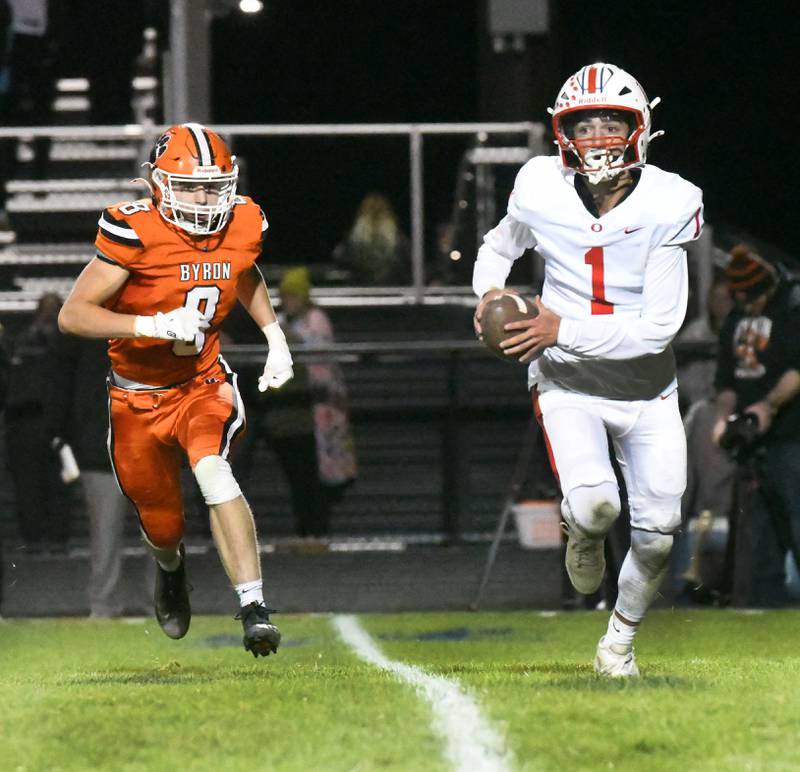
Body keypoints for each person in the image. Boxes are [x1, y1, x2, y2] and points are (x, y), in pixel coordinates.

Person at [473, 63, 703, 677]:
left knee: (658, 535)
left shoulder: (672, 200)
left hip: (647, 387)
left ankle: (618, 644)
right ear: (561, 131)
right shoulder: (538, 184)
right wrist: (488, 294)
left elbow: (659, 328)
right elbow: (498, 247)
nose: (599, 135)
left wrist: (560, 327)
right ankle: (581, 525)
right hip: (566, 380)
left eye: (611, 122)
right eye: (585, 123)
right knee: (599, 507)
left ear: (640, 128)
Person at [58, 123, 295, 657]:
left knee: (213, 468)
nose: (203, 198)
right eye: (189, 186)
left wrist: (275, 336)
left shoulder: (242, 221)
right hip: (135, 397)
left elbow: (243, 270)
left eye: (212, 186)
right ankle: (171, 568)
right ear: (157, 184)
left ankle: (254, 608)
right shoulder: (133, 230)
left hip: (201, 384)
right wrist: (150, 326)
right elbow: (73, 315)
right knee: (163, 526)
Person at [234, 267, 356, 537]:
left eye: (291, 295)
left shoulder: (314, 321)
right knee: (303, 478)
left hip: (315, 412)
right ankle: (310, 531)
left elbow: (314, 364)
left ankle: (315, 532)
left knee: (312, 477)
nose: (286, 300)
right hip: (290, 413)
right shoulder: (284, 321)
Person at [711, 245, 800, 607]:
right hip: (751, 443)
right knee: (760, 538)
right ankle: (768, 615)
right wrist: (724, 418)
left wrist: (769, 406)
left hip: (792, 436)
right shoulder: (736, 318)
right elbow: (727, 380)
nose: (747, 306)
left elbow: (797, 368)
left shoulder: (792, 309)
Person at [45, 333, 149, 618]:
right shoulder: (86, 329)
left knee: (141, 535)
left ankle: (112, 605)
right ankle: (114, 604)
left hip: (137, 443)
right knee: (115, 535)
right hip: (107, 442)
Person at [4, 292, 72, 551]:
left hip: (56, 427)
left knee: (58, 484)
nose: (49, 316)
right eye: (46, 310)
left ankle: (56, 537)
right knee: (29, 486)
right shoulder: (20, 344)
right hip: (27, 427)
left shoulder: (67, 347)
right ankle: (34, 536)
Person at [332, 193, 412, 285]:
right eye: (371, 209)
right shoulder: (400, 241)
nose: (374, 213)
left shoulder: (352, 240)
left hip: (365, 291)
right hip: (388, 290)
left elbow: (340, 261)